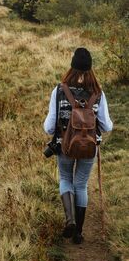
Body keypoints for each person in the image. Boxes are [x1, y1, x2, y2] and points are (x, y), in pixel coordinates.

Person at [43, 47, 113, 244]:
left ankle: (70, 219)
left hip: (64, 146)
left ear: (72, 66)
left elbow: (49, 127)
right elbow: (107, 125)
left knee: (65, 178)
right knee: (80, 184)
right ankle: (79, 233)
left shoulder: (59, 90)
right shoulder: (98, 93)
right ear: (90, 69)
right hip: (89, 148)